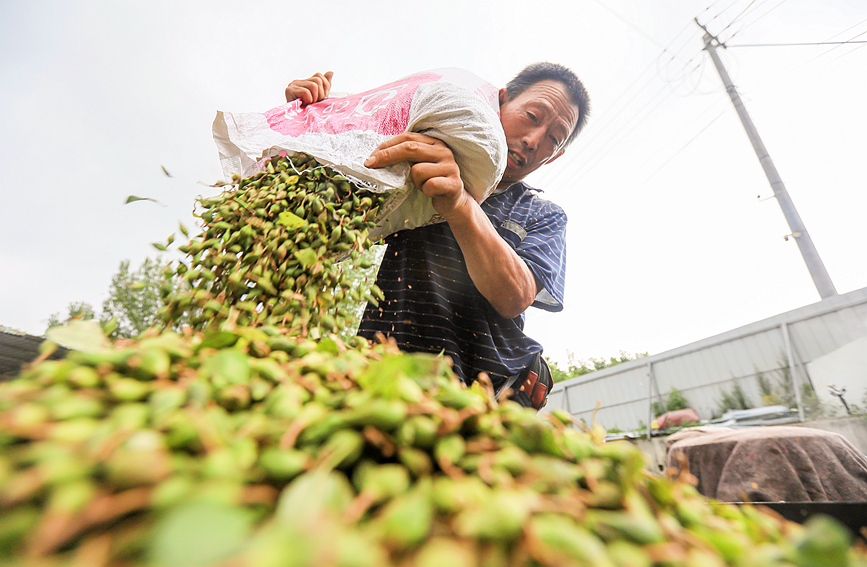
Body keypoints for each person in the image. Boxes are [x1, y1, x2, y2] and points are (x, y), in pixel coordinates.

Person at [285, 64, 590, 408]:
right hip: (380, 372)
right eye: (532, 115)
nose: (534, 141)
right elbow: (336, 188)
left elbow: (515, 295)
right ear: (500, 101)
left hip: (481, 395)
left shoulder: (541, 214)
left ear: (557, 156)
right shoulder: (420, 154)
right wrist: (317, 114)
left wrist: (460, 203)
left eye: (554, 138)